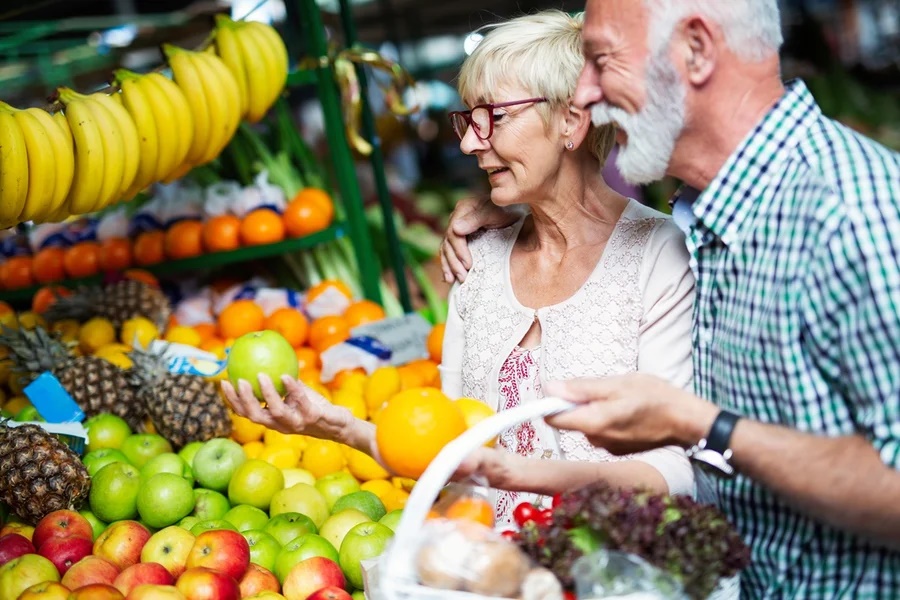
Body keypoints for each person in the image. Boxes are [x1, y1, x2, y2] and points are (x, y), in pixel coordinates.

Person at [440, 0, 900, 597]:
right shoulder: (711, 222)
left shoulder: (849, 214)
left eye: (602, 59)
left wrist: (703, 426)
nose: (583, 93)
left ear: (697, 50)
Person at [224, 9, 696, 530]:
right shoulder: (480, 260)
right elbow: (447, 450)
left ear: (572, 120)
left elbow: (675, 470)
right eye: (468, 119)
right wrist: (337, 426)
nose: (470, 142)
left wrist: (514, 472)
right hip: (490, 571)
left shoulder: (659, 255)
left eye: (496, 116)